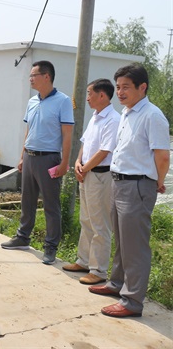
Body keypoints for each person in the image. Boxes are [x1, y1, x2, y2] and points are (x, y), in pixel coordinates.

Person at [89, 64, 170, 318]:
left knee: (135, 246)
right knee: (123, 242)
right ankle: (116, 284)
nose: (120, 92)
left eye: (126, 87)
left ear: (142, 87)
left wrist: (157, 181)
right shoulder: (127, 113)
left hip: (137, 185)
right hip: (120, 182)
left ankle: (132, 301)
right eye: (119, 87)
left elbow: (162, 156)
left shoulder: (152, 116)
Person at [0, 60, 74, 265]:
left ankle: (50, 247)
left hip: (49, 158)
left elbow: (67, 135)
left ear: (47, 76)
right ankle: (23, 237)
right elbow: (29, 131)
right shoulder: (32, 101)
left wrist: (64, 164)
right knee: (27, 201)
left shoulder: (63, 101)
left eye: (34, 75)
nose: (30, 78)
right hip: (31, 157)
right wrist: (23, 156)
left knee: (51, 205)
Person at [63, 79, 120, 285]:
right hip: (86, 174)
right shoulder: (95, 117)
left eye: (90, 94)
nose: (86, 98)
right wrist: (78, 162)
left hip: (100, 175)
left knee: (100, 223)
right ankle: (84, 261)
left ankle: (98, 270)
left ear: (102, 95)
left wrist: (85, 168)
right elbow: (85, 144)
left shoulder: (113, 119)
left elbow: (105, 150)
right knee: (86, 219)